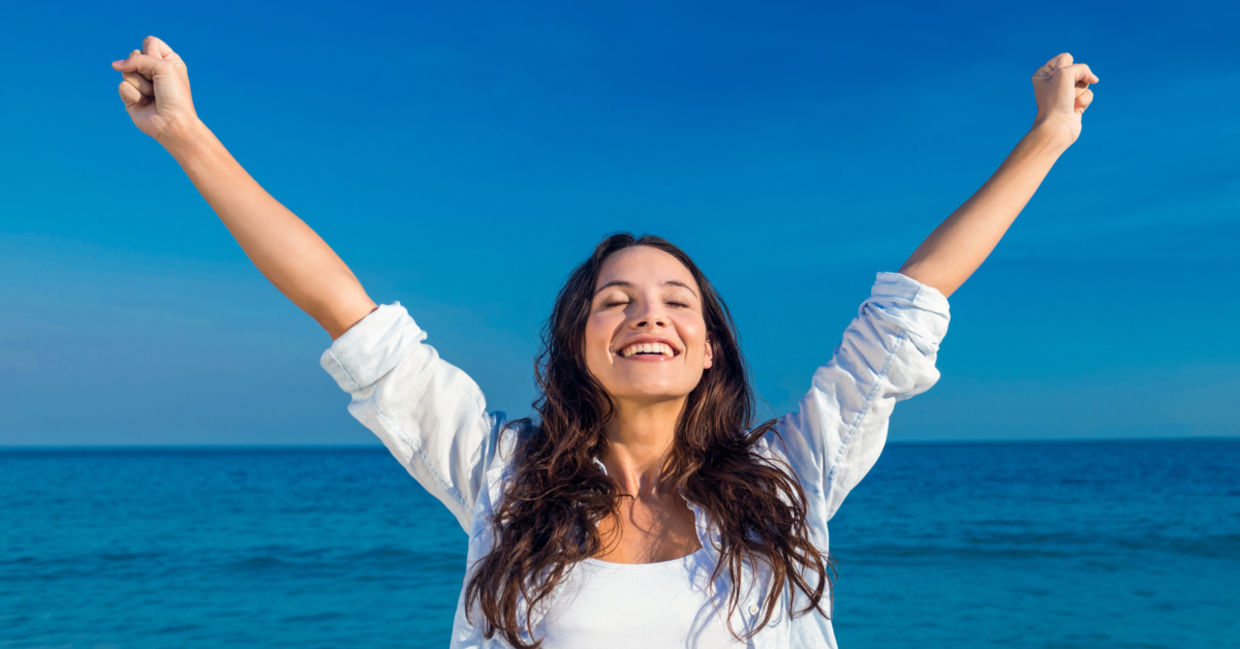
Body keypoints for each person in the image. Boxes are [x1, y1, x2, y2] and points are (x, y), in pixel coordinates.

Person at [111, 36, 1098, 648]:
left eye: (675, 300)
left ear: (709, 346)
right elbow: (346, 309)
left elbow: (911, 301)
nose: (647, 315)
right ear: (576, 344)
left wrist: (1047, 137)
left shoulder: (793, 473)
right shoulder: (495, 472)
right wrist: (190, 136)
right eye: (613, 301)